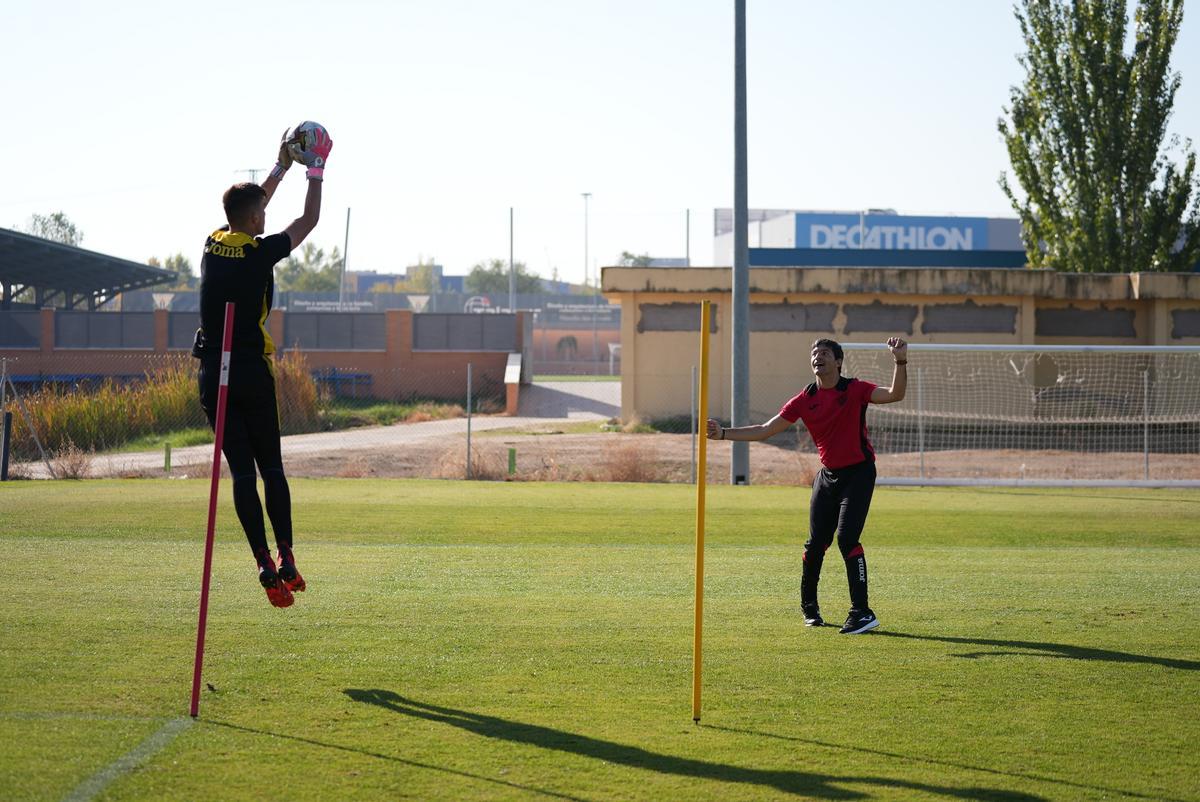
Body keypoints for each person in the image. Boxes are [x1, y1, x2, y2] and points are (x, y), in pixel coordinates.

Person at [193, 126, 332, 608]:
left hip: (213, 374)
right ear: (255, 219)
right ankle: (287, 555)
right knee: (271, 467)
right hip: (251, 370)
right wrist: (315, 169)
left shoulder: (213, 243)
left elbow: (250, 205)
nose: (266, 216)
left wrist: (278, 168)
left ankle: (262, 563)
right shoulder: (262, 250)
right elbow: (308, 221)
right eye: (263, 214)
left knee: (241, 476)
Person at [706, 337, 907, 634]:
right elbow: (764, 430)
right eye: (814, 353)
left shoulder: (855, 389)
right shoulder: (804, 398)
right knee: (815, 545)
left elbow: (894, 394)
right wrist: (723, 434)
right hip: (827, 477)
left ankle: (862, 612)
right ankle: (810, 609)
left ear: (838, 362)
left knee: (847, 539)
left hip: (859, 474)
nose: (818, 357)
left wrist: (900, 361)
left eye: (824, 353)